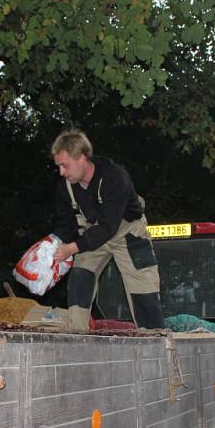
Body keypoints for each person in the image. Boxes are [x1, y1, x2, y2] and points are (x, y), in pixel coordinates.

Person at [49, 129, 165, 332]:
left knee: (143, 287)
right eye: (59, 166)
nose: (61, 172)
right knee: (80, 276)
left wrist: (72, 248)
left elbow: (109, 226)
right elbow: (67, 224)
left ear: (82, 158)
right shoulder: (65, 187)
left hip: (128, 232)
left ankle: (156, 339)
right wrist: (53, 245)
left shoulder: (114, 177)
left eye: (64, 165)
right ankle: (75, 335)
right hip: (93, 235)